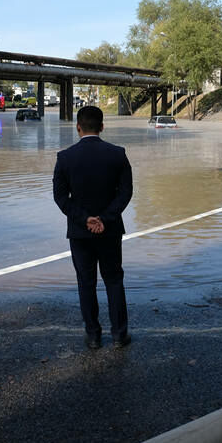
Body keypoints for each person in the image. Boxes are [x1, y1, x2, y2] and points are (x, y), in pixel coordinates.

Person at [53, 106, 133, 350]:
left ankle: (93, 336)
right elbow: (126, 193)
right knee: (114, 280)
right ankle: (119, 335)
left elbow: (60, 197)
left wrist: (84, 219)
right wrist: (105, 218)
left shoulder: (65, 158)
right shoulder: (117, 154)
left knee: (85, 283)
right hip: (110, 231)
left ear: (78, 127)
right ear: (102, 126)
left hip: (80, 233)